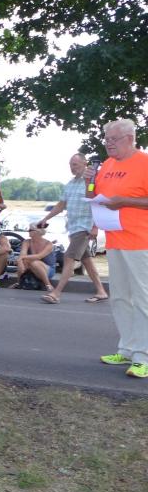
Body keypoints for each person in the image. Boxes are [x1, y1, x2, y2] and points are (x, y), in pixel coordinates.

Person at [86, 119, 148, 378]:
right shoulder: (107, 165)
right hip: (114, 239)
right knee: (120, 297)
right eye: (106, 139)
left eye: (113, 139)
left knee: (143, 299)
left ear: (130, 138)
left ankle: (143, 356)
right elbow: (94, 196)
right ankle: (127, 348)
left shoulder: (144, 163)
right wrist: (89, 182)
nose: (108, 143)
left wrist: (126, 201)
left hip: (141, 241)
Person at [38, 153, 108, 304]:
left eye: (75, 164)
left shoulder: (91, 182)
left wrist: (95, 227)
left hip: (85, 228)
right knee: (87, 261)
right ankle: (101, 291)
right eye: (70, 165)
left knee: (68, 258)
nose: (72, 167)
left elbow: (98, 204)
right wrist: (45, 218)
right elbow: (60, 205)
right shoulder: (70, 184)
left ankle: (56, 293)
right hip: (73, 228)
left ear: (84, 164)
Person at [15, 224, 56, 291]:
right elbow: (23, 253)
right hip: (32, 267)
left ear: (37, 232)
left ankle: (48, 285)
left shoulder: (49, 244)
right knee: (23, 261)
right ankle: (19, 283)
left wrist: (21, 258)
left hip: (48, 269)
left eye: (30, 230)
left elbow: (39, 256)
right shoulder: (26, 242)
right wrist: (20, 260)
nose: (28, 231)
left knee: (34, 262)